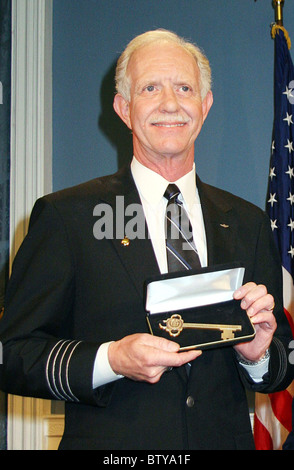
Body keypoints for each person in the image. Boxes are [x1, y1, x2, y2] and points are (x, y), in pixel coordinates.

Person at [0, 29, 293, 450]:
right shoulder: (69, 217)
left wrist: (258, 354)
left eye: (185, 88)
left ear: (205, 106)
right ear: (124, 108)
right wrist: (111, 360)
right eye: (150, 87)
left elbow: (279, 366)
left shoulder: (246, 222)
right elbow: (13, 355)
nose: (170, 103)